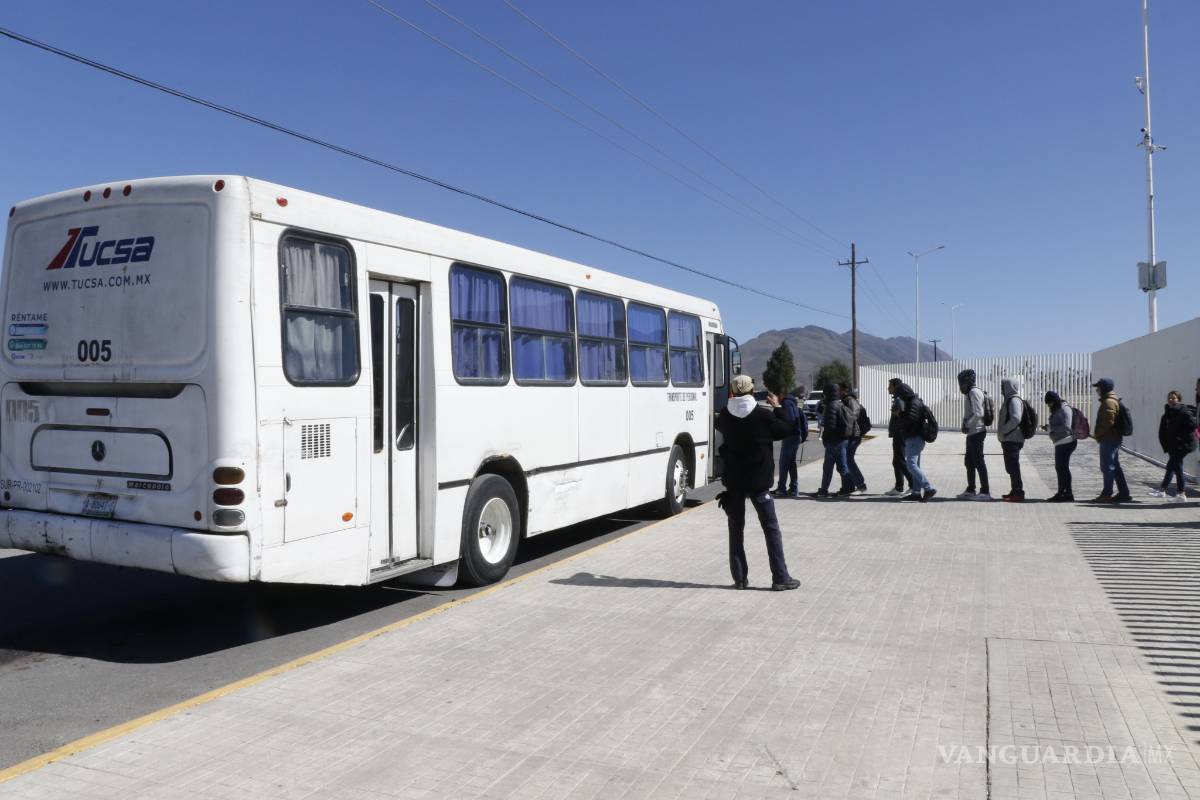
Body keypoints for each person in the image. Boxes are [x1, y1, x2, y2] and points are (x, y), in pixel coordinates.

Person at [715, 374, 801, 591]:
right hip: (759, 482)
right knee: (771, 529)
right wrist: (778, 407)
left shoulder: (725, 416)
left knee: (736, 532)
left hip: (733, 483)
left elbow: (720, 425)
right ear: (753, 392)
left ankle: (740, 579)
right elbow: (786, 428)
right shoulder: (763, 416)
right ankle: (780, 578)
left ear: (732, 392)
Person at [893, 382, 937, 501]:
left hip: (914, 438)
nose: (898, 398)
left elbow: (910, 420)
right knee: (915, 465)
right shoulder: (913, 402)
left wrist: (899, 414)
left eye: (899, 395)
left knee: (911, 465)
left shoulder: (913, 403)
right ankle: (916, 492)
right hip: (914, 438)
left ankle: (929, 488)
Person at [1091, 378, 1132, 503]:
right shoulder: (1110, 400)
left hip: (1109, 437)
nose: (1097, 390)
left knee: (1107, 466)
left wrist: (1098, 434)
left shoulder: (1108, 402)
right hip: (1112, 437)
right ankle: (1124, 493)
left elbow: (1107, 422)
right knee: (1115, 466)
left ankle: (1107, 494)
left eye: (1098, 388)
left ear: (1104, 388)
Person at [1150, 390, 1196, 501]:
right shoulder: (1168, 413)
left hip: (1182, 445)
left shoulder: (1183, 411)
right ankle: (1177, 493)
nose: (1171, 400)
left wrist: (1180, 437)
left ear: (1179, 400)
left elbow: (1193, 425)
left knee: (1173, 467)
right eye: (1169, 398)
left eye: (1174, 398)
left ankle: (1169, 491)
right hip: (1173, 446)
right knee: (1175, 467)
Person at [957, 369, 992, 501]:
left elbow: (979, 413)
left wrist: (967, 424)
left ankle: (985, 491)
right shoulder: (970, 393)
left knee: (979, 462)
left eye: (962, 383)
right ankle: (971, 489)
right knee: (969, 462)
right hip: (972, 432)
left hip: (977, 432)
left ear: (967, 382)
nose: (960, 386)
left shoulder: (974, 392)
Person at [815, 383, 852, 498]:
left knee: (828, 467)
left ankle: (824, 491)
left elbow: (830, 427)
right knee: (842, 466)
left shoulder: (831, 406)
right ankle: (846, 489)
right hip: (842, 440)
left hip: (834, 442)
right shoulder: (839, 404)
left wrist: (825, 440)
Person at [996, 378, 1027, 502]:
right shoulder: (1009, 400)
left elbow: (1015, 418)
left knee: (1013, 466)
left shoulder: (1014, 400)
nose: (1002, 389)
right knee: (1011, 466)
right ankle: (1014, 490)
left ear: (1009, 387)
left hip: (1013, 438)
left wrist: (1004, 430)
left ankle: (1018, 492)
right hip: (1009, 438)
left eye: (1003, 386)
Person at [773, 388, 807, 498]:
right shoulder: (793, 402)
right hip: (796, 436)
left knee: (783, 463)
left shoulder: (786, 404)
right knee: (791, 463)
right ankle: (793, 488)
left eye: (776, 396)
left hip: (790, 436)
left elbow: (790, 420)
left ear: (781, 395)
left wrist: (784, 430)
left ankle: (782, 488)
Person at [1043, 391, 1076, 502]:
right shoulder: (1058, 408)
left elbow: (1066, 427)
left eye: (1050, 403)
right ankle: (1065, 493)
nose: (1049, 406)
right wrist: (1049, 427)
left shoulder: (1064, 409)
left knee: (1062, 468)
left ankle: (1065, 493)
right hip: (1061, 442)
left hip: (1066, 442)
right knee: (1061, 468)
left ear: (1055, 401)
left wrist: (1052, 428)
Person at [885, 378, 913, 497]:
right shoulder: (898, 398)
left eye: (890, 386)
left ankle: (913, 485)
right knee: (897, 461)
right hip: (898, 433)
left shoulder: (899, 399)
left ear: (895, 386)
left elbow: (901, 415)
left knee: (900, 460)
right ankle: (899, 486)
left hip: (900, 433)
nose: (888, 388)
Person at [840, 383, 867, 494]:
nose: (838, 392)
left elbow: (854, 414)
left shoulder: (850, 400)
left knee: (848, 460)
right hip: (851, 435)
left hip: (853, 435)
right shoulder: (847, 400)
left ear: (845, 390)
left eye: (839, 390)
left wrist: (845, 421)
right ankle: (852, 486)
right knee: (847, 460)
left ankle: (861, 485)